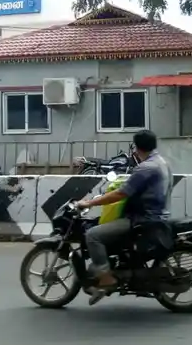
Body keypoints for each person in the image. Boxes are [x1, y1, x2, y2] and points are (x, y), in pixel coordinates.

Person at [74, 129, 172, 305]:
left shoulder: (145, 168)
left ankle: (106, 278)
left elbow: (121, 194)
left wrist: (90, 203)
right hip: (157, 215)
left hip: (142, 219)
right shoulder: (162, 162)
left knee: (93, 235)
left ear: (136, 147)